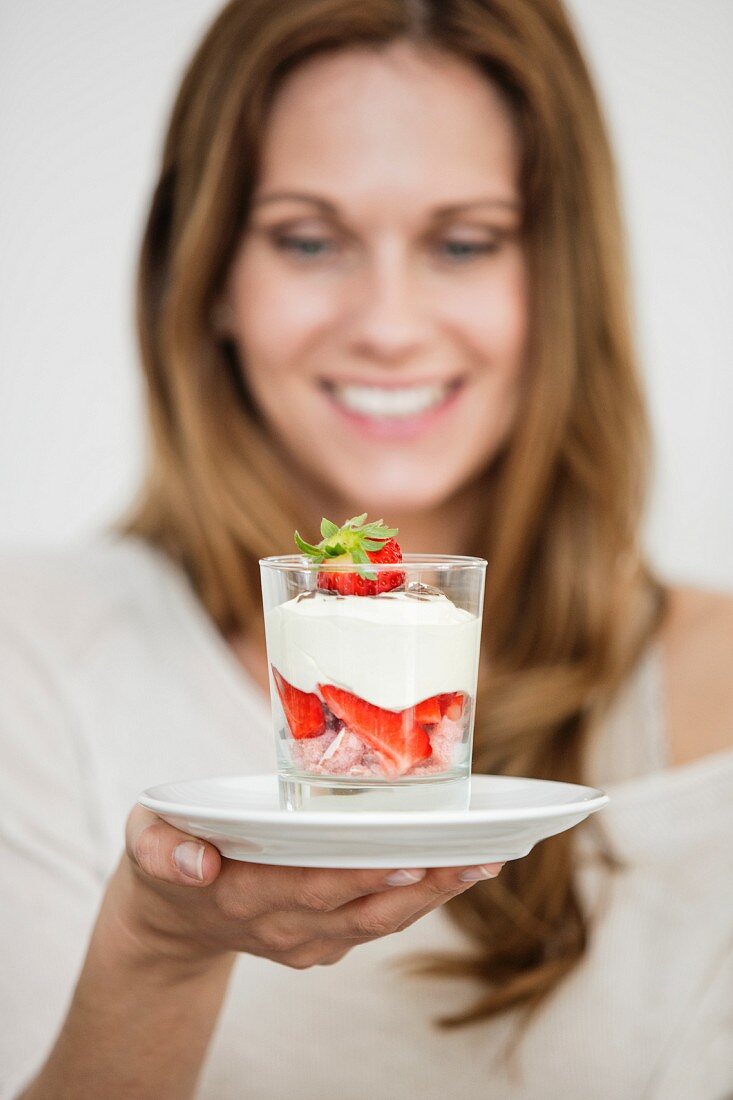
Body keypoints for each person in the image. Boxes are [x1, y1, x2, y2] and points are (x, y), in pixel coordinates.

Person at [2, 1, 732, 1097]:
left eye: (461, 242)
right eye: (309, 238)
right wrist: (160, 947)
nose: (388, 322)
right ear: (207, 280)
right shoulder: (36, 650)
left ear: (558, 280)